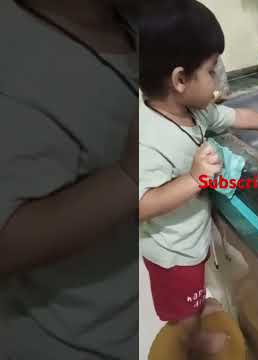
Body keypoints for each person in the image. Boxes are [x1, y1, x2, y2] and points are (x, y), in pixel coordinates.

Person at [138, 0, 258, 356]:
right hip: (173, 253)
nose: (217, 81)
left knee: (192, 301)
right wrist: (195, 179)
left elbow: (236, 117)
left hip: (191, 240)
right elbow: (139, 205)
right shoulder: (148, 138)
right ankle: (194, 344)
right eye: (212, 71)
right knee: (182, 315)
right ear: (180, 79)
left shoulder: (192, 111)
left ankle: (196, 310)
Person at [0, 1, 139, 358]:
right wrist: (129, 174)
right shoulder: (16, 53)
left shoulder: (125, 18)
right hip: (75, 342)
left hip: (140, 314)